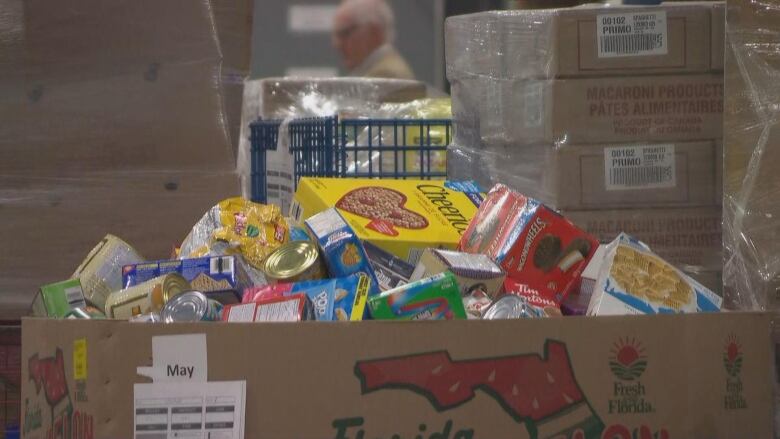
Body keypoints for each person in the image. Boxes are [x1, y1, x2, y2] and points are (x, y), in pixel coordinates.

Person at [332, 0, 415, 80]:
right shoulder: (382, 70)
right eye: (336, 35)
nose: (337, 44)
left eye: (345, 33)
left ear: (374, 32)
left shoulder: (385, 75)